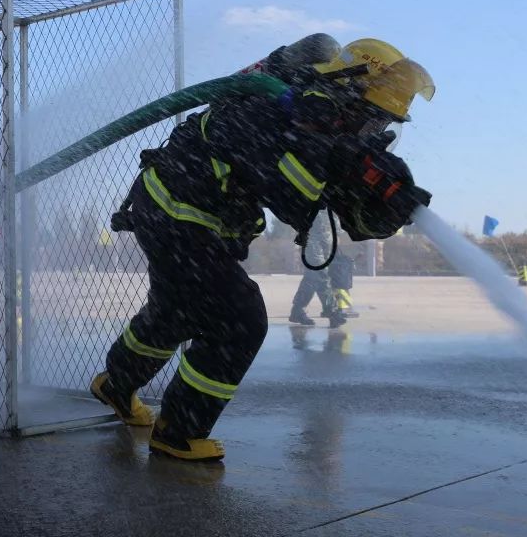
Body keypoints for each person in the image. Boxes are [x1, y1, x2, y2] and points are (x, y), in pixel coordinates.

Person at [93, 35, 435, 461]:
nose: (372, 132)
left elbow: (344, 214)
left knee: (177, 311)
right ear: (349, 93)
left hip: (193, 220)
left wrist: (389, 202)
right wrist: (343, 170)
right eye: (370, 119)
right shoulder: (273, 109)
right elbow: (297, 200)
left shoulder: (321, 127)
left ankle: (115, 384)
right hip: (175, 211)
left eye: (381, 125)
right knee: (238, 317)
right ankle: (179, 432)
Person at [288, 211, 342, 327]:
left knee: (311, 279)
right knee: (320, 274)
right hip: (312, 239)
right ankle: (331, 311)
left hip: (328, 239)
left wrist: (336, 235)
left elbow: (334, 214)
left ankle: (297, 310)